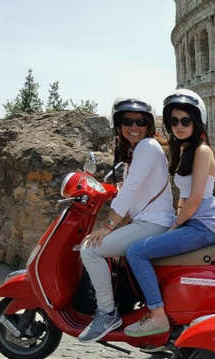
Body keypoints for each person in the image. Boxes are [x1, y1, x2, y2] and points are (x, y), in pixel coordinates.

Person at [123, 89, 215, 337]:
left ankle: (157, 315)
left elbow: (195, 199)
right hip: (193, 222)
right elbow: (182, 197)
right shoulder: (183, 150)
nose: (179, 126)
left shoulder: (202, 151)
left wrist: (174, 226)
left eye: (185, 121)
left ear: (197, 122)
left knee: (136, 252)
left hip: (204, 225)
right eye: (174, 121)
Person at [78, 98, 174, 343]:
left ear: (148, 125)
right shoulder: (140, 150)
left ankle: (107, 313)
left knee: (90, 250)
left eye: (140, 121)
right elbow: (132, 187)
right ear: (119, 125)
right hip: (151, 221)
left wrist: (108, 225)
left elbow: (131, 189)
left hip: (152, 224)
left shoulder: (146, 147)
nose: (134, 126)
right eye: (127, 121)